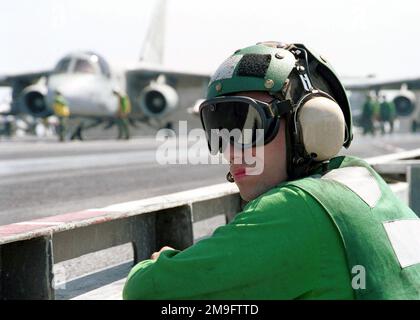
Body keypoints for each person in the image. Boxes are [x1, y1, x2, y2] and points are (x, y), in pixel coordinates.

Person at [123, 42, 420, 299]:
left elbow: (146, 290)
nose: (231, 149)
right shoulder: (363, 179)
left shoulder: (296, 208)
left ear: (309, 126)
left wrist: (164, 262)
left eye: (249, 125)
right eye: (220, 129)